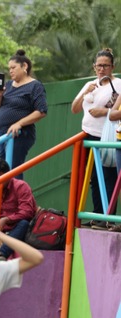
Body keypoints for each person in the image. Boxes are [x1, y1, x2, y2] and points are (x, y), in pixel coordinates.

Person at [71, 49, 121, 219]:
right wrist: (85, 93)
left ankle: (107, 217)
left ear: (112, 67)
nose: (102, 69)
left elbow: (116, 112)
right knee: (91, 177)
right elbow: (74, 109)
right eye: (99, 66)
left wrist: (103, 111)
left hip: (106, 137)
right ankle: (96, 214)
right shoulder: (90, 84)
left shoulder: (118, 84)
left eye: (105, 66)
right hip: (87, 135)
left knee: (108, 177)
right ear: (94, 67)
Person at [0, 50, 48, 177]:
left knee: (12, 170)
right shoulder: (8, 85)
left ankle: (17, 190)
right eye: (9, 68)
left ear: (24, 66)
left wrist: (19, 123)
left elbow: (41, 111)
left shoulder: (35, 86)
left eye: (13, 67)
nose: (10, 71)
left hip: (18, 134)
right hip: (1, 133)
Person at [0, 159, 38, 260]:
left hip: (17, 228)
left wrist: (6, 219)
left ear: (8, 174)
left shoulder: (21, 186)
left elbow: (27, 211)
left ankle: (1, 253)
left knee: (24, 224)